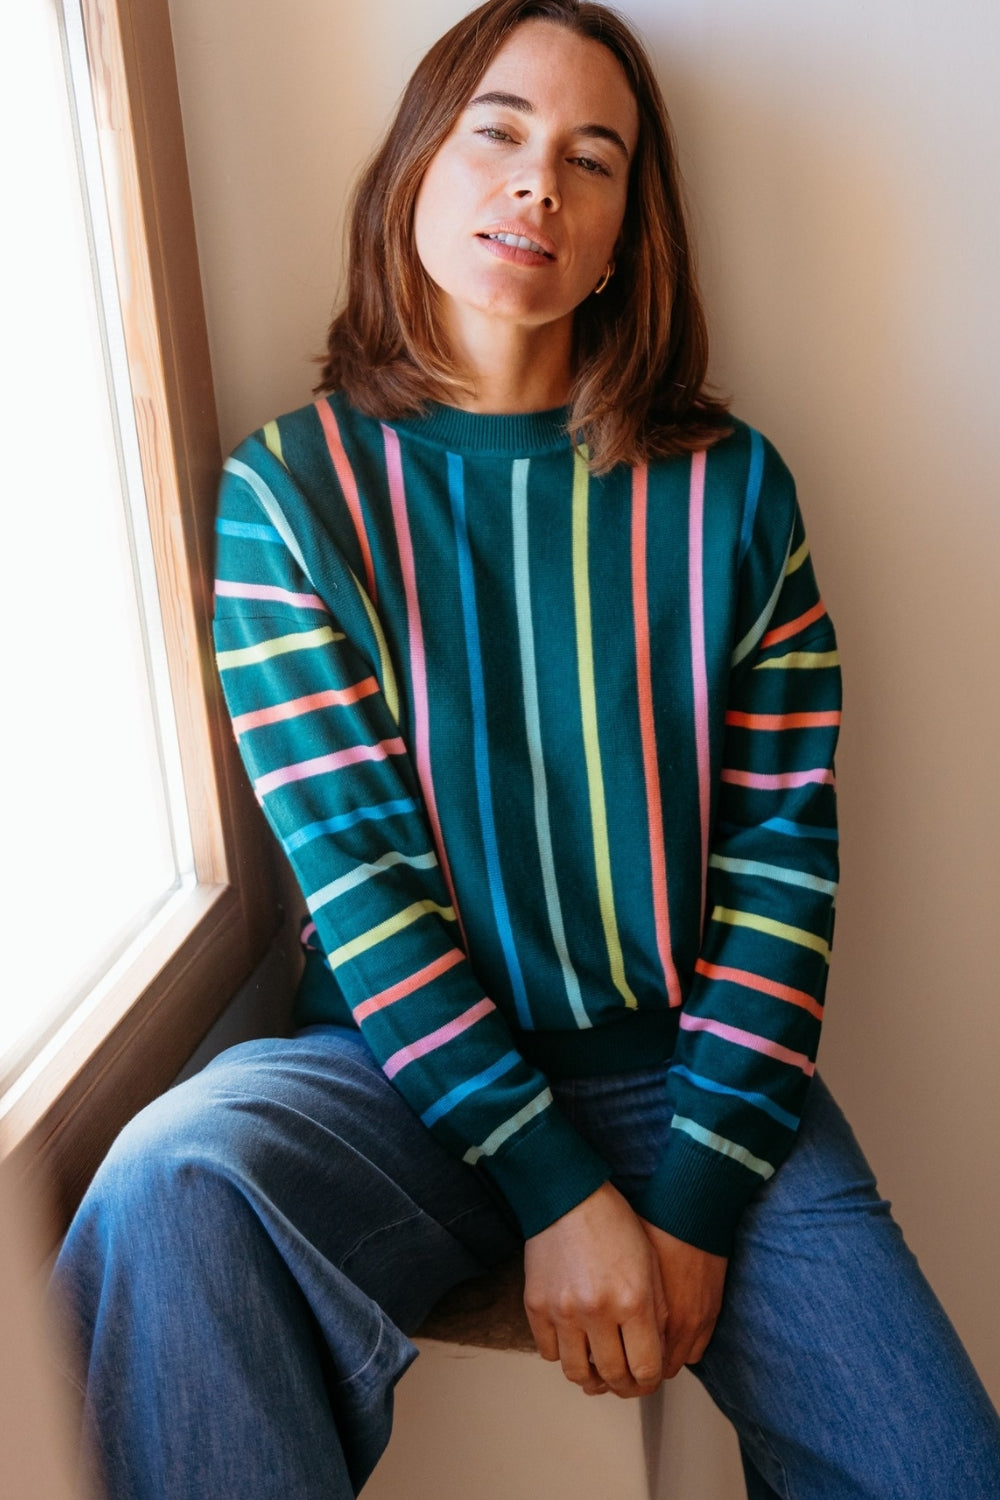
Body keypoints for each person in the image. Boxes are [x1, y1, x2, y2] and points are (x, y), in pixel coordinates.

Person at [53, 2, 1000, 1496]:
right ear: (415, 170)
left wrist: (693, 1202)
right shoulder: (291, 496)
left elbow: (781, 865)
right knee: (169, 1182)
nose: (536, 184)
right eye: (495, 133)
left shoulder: (732, 493)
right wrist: (553, 1188)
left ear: (626, 231)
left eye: (590, 159)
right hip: (388, 1081)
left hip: (689, 1074)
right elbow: (362, 885)